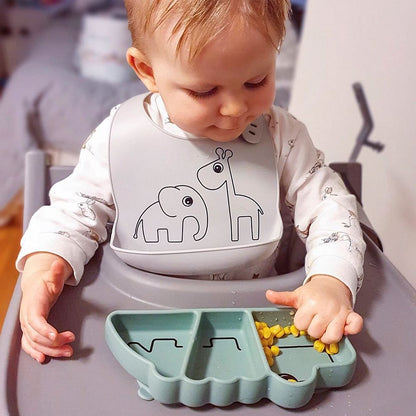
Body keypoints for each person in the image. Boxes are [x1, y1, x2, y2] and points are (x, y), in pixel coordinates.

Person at [17, 0, 365, 364]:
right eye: (204, 92)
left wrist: (331, 281)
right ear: (147, 69)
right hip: (142, 315)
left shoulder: (282, 136)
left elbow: (331, 207)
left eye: (255, 81)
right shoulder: (119, 140)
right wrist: (46, 262)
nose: (234, 109)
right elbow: (76, 208)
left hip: (254, 314)